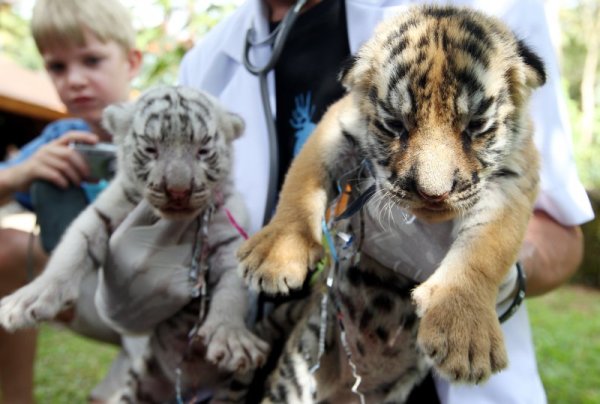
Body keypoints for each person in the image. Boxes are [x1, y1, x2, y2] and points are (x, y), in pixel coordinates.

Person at [178, 0, 594, 403]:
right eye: (395, 124)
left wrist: (480, 280)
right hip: (296, 341)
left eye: (478, 126)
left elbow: (545, 215)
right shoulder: (206, 58)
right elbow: (332, 135)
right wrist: (294, 224)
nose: (434, 185)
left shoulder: (499, 14)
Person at [0, 0, 142, 402]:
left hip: (167, 307)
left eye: (92, 60)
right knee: (4, 249)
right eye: (57, 67)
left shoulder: (160, 129)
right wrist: (21, 172)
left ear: (131, 62)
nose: (74, 80)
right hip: (88, 294)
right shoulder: (62, 138)